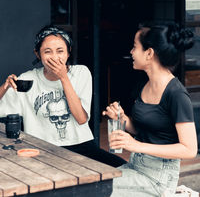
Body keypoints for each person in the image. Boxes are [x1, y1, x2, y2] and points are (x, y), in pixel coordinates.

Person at [0, 25, 126, 167]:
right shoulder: (28, 79)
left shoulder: (80, 73)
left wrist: (63, 78)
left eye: (60, 51)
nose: (54, 57)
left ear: (68, 52)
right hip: (42, 149)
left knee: (122, 169)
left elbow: (81, 118)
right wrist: (4, 88)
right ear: (38, 54)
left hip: (82, 146)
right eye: (47, 52)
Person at [102, 21, 198, 196]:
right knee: (92, 183)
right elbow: (146, 130)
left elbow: (189, 149)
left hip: (158, 178)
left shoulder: (176, 94)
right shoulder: (144, 85)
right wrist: (122, 119)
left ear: (149, 53)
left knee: (97, 190)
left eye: (134, 47)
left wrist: (136, 145)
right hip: (136, 166)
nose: (131, 52)